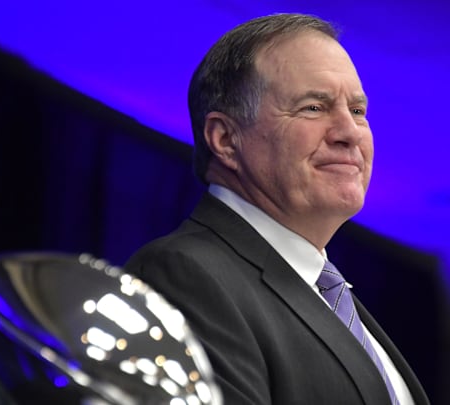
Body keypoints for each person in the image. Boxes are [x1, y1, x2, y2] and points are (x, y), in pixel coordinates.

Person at [125, 13, 430, 405]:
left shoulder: (332, 296)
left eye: (357, 111)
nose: (350, 132)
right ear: (226, 139)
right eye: (314, 108)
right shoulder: (183, 274)